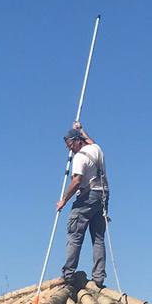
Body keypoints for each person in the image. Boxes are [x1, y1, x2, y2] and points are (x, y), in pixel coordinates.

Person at [58, 123, 109, 287]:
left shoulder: (79, 157)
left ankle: (68, 273)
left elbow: (76, 181)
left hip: (88, 196)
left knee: (75, 234)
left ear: (77, 141)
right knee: (98, 238)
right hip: (102, 195)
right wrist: (81, 128)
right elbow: (90, 140)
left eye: (70, 145)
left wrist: (64, 201)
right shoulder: (96, 149)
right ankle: (99, 277)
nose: (70, 149)